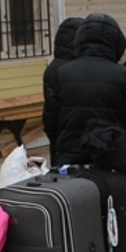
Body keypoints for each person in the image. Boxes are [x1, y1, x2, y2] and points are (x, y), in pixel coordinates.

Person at [44, 13, 126, 166]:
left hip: (70, 160)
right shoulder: (122, 75)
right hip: (111, 157)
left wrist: (62, 144)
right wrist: (124, 145)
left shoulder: (62, 73)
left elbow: (50, 120)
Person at [42, 16, 84, 165]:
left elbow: (50, 114)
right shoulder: (72, 70)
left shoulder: (54, 68)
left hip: (61, 141)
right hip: (73, 140)